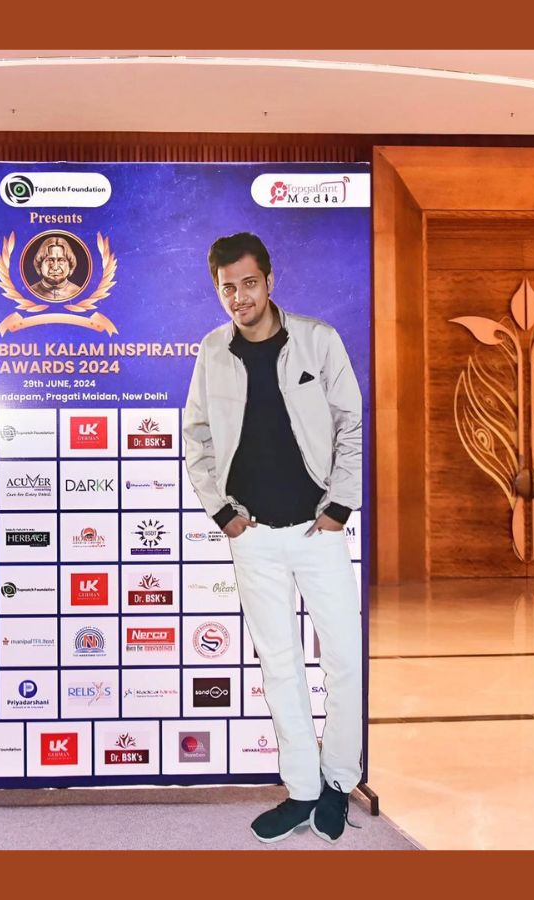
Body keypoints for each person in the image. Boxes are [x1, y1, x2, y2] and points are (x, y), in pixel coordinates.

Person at [182, 232, 363, 844]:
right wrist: (223, 514)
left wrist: (339, 506)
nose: (240, 297)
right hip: (254, 535)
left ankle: (339, 781)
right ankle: (303, 788)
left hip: (318, 530)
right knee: (280, 667)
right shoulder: (212, 352)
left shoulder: (318, 340)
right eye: (227, 288)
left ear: (270, 281)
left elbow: (351, 424)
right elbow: (197, 436)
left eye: (249, 284)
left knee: (342, 661)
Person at [28, 235, 83, 302]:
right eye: (50, 260)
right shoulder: (29, 292)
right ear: (39, 264)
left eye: (61, 260)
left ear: (70, 264)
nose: (55, 267)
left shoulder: (80, 293)